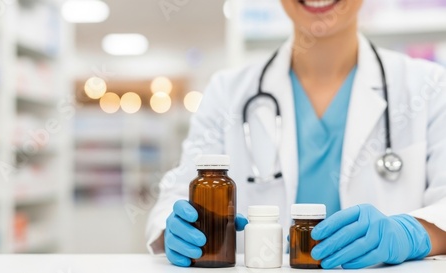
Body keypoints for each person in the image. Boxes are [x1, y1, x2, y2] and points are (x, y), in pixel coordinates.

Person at [146, 0, 446, 269]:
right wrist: (177, 229)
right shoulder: (227, 92)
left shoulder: (429, 86)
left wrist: (411, 233)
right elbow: (175, 195)